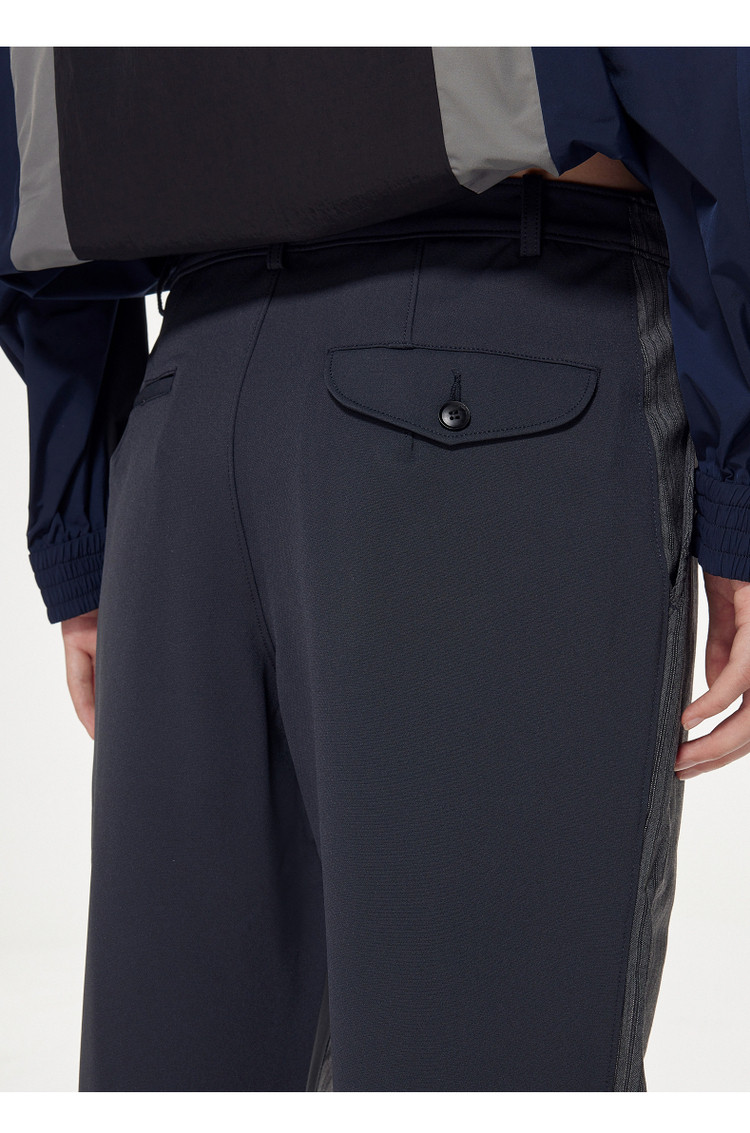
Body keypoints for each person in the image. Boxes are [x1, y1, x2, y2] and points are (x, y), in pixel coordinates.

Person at [1, 46, 750, 1092]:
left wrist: (83, 506)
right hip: (491, 368)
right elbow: (702, 72)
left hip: (190, 409)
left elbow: (28, 133)